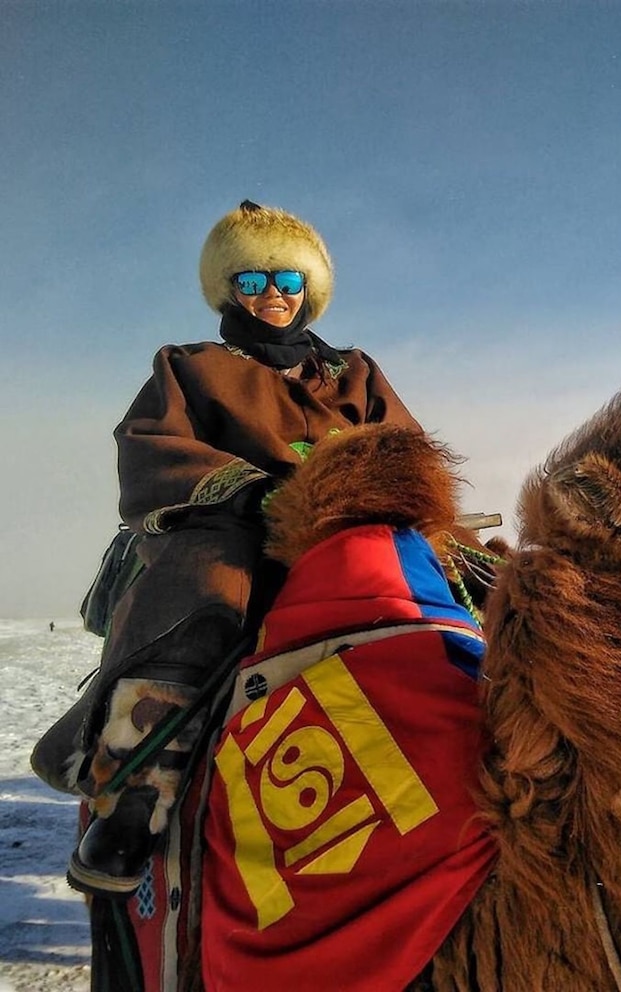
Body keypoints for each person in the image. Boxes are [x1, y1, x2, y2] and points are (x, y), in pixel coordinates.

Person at [31, 200, 422, 897]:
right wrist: (244, 490)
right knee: (208, 584)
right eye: (253, 279)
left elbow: (404, 446)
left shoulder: (354, 371)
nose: (273, 293)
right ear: (228, 288)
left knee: (483, 584)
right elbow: (151, 446)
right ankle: (136, 790)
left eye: (289, 281)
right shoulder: (190, 366)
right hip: (240, 522)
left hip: (355, 521)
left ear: (311, 291)